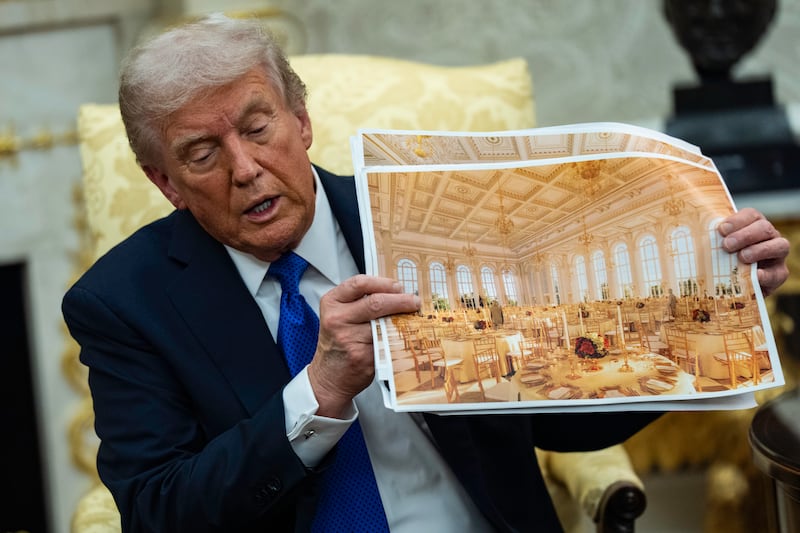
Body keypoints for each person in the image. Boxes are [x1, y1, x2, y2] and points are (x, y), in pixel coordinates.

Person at [62, 15, 790, 533]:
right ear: (165, 182)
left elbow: (565, 410)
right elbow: (160, 509)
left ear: (302, 121)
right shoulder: (124, 303)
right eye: (202, 153)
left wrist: (717, 300)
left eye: (258, 128)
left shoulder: (433, 221)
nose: (245, 168)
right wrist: (314, 396)